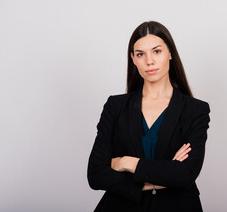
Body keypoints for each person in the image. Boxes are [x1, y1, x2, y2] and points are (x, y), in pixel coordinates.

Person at [87, 21, 211, 212]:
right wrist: (162, 176)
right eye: (140, 54)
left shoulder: (195, 110)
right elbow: (96, 174)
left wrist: (126, 163)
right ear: (133, 59)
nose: (149, 61)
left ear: (170, 53)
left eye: (157, 51)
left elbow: (185, 174)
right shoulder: (116, 106)